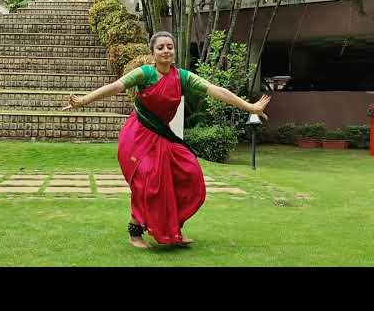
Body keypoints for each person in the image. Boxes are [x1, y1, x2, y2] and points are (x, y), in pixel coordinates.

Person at [62, 31, 271, 249]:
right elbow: (115, 86)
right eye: (160, 47)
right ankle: (135, 233)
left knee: (190, 174)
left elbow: (215, 90)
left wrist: (250, 107)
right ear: (153, 53)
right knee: (149, 180)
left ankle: (172, 228)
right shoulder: (144, 74)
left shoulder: (182, 76)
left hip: (162, 135)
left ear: (174, 52)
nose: (166, 50)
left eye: (169, 47)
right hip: (138, 134)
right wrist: (84, 100)